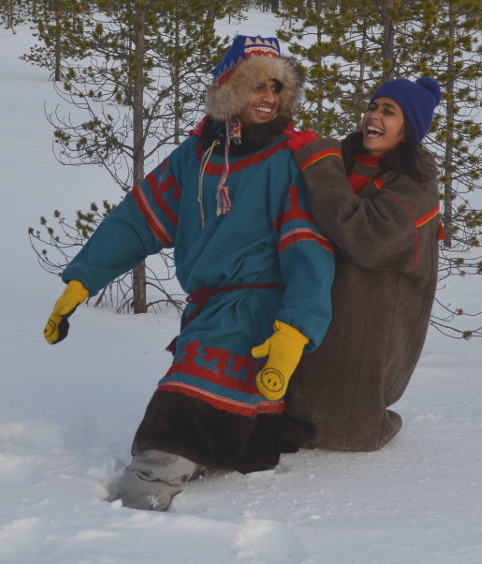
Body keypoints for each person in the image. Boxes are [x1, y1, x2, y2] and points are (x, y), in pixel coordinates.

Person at [43, 35, 335, 511]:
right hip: (205, 309)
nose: (268, 96)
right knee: (225, 423)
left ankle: (132, 519)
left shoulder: (289, 158)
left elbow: (309, 249)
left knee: (178, 418)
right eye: (255, 84)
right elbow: (138, 219)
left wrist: (295, 330)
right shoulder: (195, 154)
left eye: (277, 87)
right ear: (228, 88)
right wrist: (83, 279)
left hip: (255, 312)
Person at [282, 76, 443, 452]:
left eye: (389, 111)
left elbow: (368, 236)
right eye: (373, 106)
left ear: (407, 131)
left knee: (343, 429)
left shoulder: (415, 184)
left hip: (370, 324)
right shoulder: (344, 160)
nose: (374, 115)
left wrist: (318, 165)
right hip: (312, 308)